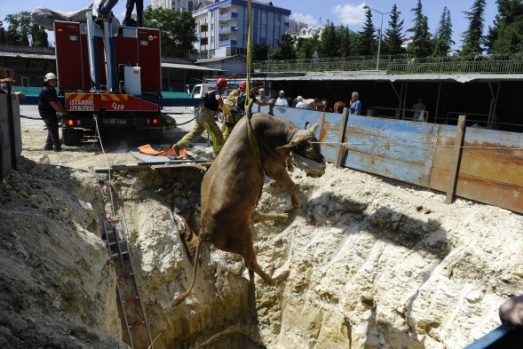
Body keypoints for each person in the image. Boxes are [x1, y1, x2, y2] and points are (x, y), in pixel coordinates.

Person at [173, 78, 227, 158]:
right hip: (206, 117)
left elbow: (210, 102)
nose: (225, 89)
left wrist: (217, 108)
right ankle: (217, 155)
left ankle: (178, 146)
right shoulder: (217, 92)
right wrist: (225, 110)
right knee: (217, 134)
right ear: (221, 86)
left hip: (200, 115)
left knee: (195, 133)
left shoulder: (210, 91)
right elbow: (218, 98)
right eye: (225, 87)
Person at [38, 73, 67, 152]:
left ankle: (48, 146)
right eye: (51, 81)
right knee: (53, 128)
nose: (53, 82)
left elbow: (56, 101)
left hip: (50, 111)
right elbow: (52, 103)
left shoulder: (52, 90)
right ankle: (57, 147)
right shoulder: (46, 90)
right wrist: (62, 111)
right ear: (47, 81)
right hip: (45, 112)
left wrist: (62, 110)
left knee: (52, 127)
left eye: (54, 80)